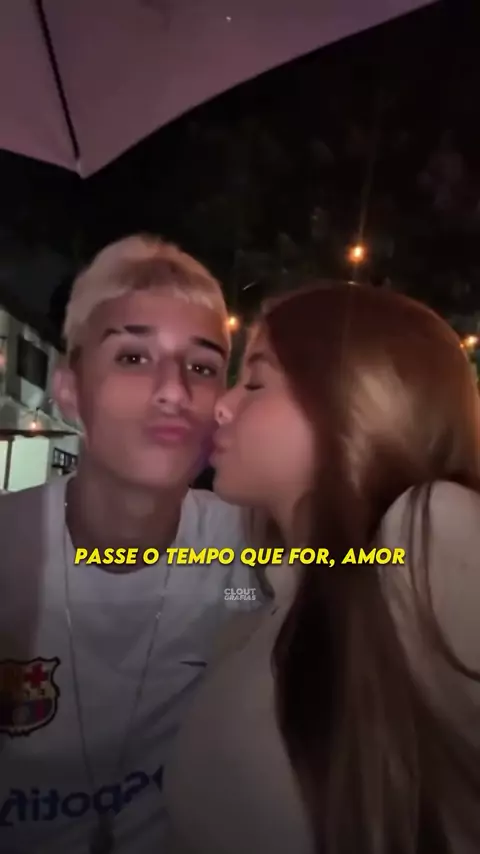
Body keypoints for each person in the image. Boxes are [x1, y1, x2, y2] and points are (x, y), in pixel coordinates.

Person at [165, 282, 480, 854]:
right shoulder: (265, 606)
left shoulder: (432, 535)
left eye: (255, 382)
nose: (222, 405)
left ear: (357, 401)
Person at [0, 235, 259, 854]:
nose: (174, 391)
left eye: (202, 367)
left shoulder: (247, 553)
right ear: (70, 390)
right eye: (133, 357)